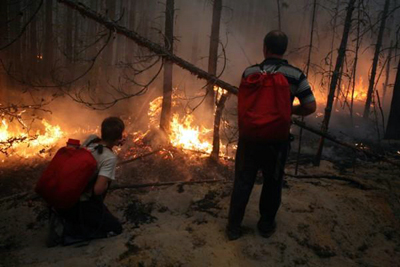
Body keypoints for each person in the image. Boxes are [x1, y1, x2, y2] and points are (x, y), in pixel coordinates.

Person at [226, 30, 317, 240]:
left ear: (264, 48)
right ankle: (266, 226)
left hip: (250, 138)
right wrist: (289, 110)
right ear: (284, 50)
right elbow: (310, 106)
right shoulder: (296, 75)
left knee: (242, 181)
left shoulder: (249, 72)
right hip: (276, 141)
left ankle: (233, 227)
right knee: (272, 182)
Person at [50, 117, 125, 246]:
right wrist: (106, 180)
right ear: (119, 137)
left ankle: (67, 218)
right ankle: (70, 233)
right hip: (79, 204)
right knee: (116, 228)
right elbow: (97, 190)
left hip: (63, 193)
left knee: (102, 213)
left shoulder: (91, 140)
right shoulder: (109, 158)